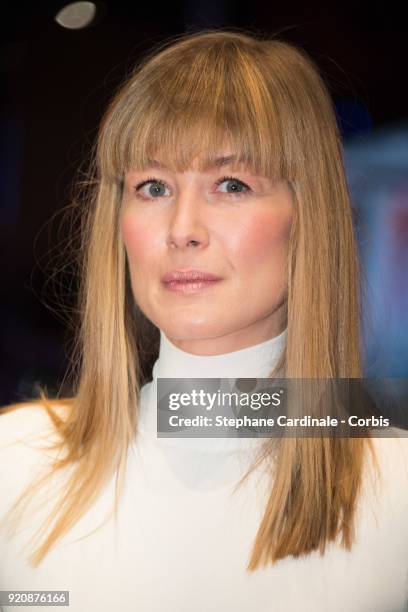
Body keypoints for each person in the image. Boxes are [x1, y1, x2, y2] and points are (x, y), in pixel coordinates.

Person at [1, 29, 408, 612]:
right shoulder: (15, 466)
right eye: (154, 186)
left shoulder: (396, 494)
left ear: (308, 218)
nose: (182, 228)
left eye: (232, 184)